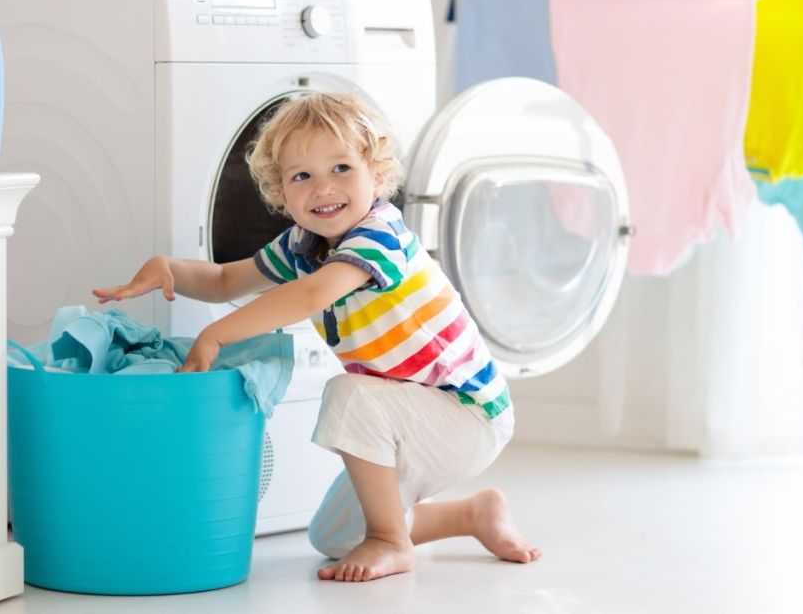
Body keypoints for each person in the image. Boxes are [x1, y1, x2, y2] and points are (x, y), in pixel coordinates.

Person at [92, 93, 540, 582]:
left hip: (467, 414)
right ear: (280, 193)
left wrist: (215, 336)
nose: (323, 187)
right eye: (301, 176)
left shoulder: (380, 234)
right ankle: (471, 514)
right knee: (332, 536)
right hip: (411, 413)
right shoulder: (304, 245)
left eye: (342, 167)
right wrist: (169, 269)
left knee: (347, 393)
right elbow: (224, 281)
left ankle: (392, 542)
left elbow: (312, 295)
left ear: (378, 176)